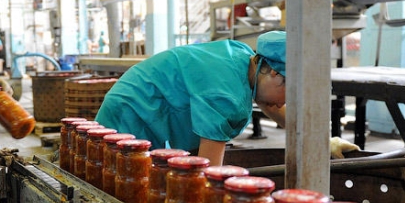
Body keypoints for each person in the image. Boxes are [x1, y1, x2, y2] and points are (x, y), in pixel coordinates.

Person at [94, 31, 358, 166]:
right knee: (128, 177)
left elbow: (272, 104)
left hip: (141, 100)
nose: (287, 102)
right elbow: (209, 170)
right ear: (275, 74)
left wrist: (323, 141)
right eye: (291, 92)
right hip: (132, 112)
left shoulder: (246, 59)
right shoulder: (226, 96)